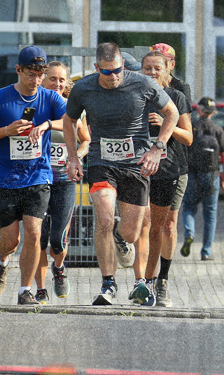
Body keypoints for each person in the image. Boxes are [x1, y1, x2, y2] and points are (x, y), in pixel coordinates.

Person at [63, 43, 178, 306]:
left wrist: (157, 148)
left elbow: (172, 113)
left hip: (135, 164)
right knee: (103, 216)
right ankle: (108, 283)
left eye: (117, 70)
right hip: (101, 161)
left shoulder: (142, 84)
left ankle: (120, 237)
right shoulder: (84, 88)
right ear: (96, 68)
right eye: (107, 72)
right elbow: (69, 121)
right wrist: (73, 157)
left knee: (130, 232)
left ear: (123, 66)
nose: (113, 76)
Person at [0, 46, 68, 305]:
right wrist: (6, 130)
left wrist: (47, 124)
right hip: (3, 178)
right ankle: (1, 262)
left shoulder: (50, 98)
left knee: (35, 233)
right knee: (10, 240)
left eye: (40, 74)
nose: (36, 79)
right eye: (31, 73)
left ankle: (25, 290)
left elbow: (73, 122)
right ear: (19, 70)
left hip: (38, 176)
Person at [132, 51, 193, 307]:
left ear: (168, 71)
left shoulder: (177, 97)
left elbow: (188, 138)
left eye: (157, 68)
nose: (152, 73)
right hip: (137, 168)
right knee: (139, 225)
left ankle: (160, 281)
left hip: (171, 169)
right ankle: (142, 281)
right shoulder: (133, 95)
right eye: (147, 68)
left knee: (164, 226)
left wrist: (168, 122)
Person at [33, 62, 88, 303]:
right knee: (38, 238)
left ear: (67, 83)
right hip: (37, 180)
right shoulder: (35, 106)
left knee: (57, 238)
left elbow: (86, 141)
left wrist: (75, 157)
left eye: (61, 80)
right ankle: (40, 288)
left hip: (65, 180)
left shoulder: (73, 110)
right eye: (52, 79)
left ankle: (59, 268)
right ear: (42, 81)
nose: (57, 84)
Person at [181, 97, 224, 261]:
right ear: (213, 112)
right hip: (211, 175)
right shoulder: (218, 129)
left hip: (192, 173)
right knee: (210, 214)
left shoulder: (191, 127)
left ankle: (189, 232)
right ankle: (206, 251)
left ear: (199, 110)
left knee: (188, 207)